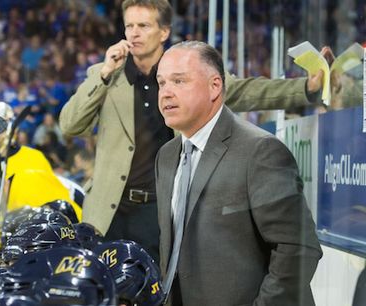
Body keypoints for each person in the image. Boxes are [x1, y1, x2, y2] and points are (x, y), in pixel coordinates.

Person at [59, 0, 324, 262]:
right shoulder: (105, 74)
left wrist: (305, 89)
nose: (134, 33)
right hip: (109, 213)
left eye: (143, 25)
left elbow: (248, 91)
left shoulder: (188, 71)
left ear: (164, 32)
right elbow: (70, 125)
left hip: (163, 211)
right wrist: (104, 73)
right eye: (129, 26)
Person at [154, 41, 322, 305]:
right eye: (161, 83)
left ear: (215, 86)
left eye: (179, 81)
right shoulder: (165, 156)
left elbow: (298, 248)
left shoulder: (260, 151)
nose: (166, 93)